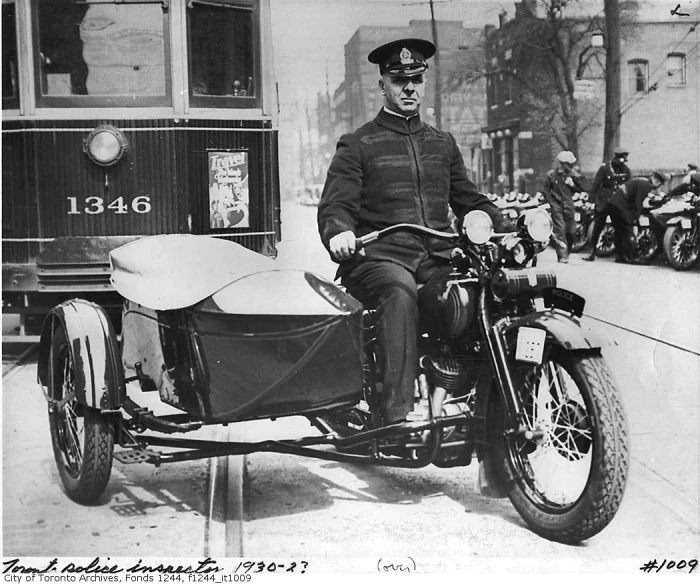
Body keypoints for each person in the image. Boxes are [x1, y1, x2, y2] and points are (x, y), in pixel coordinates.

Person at [317, 38, 510, 429]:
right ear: (382, 85)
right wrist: (339, 233)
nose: (410, 88)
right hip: (380, 258)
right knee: (399, 294)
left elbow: (469, 200)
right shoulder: (358, 144)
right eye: (399, 80)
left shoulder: (442, 143)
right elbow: (336, 206)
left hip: (436, 257)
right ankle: (394, 417)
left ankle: (485, 397)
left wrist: (508, 225)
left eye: (417, 80)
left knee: (478, 290)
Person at [605, 171, 666, 264]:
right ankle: (633, 257)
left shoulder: (642, 181)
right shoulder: (646, 185)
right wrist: (638, 215)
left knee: (620, 232)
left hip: (613, 204)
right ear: (657, 182)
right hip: (621, 206)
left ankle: (621, 256)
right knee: (629, 230)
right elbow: (637, 202)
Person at [585, 147, 632, 261]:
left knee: (620, 227)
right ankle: (591, 252)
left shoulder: (626, 170)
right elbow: (596, 184)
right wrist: (590, 201)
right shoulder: (605, 168)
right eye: (621, 158)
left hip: (618, 202)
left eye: (624, 158)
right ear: (616, 157)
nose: (623, 160)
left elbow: (629, 186)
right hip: (604, 201)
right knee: (597, 226)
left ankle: (620, 255)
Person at [542, 150, 585, 263]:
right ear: (562, 163)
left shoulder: (573, 175)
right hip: (557, 205)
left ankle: (567, 251)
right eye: (568, 164)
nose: (570, 166)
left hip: (569, 205)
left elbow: (582, 188)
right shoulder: (551, 175)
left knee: (571, 232)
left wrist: (573, 184)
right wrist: (552, 203)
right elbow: (546, 191)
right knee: (560, 230)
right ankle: (562, 255)